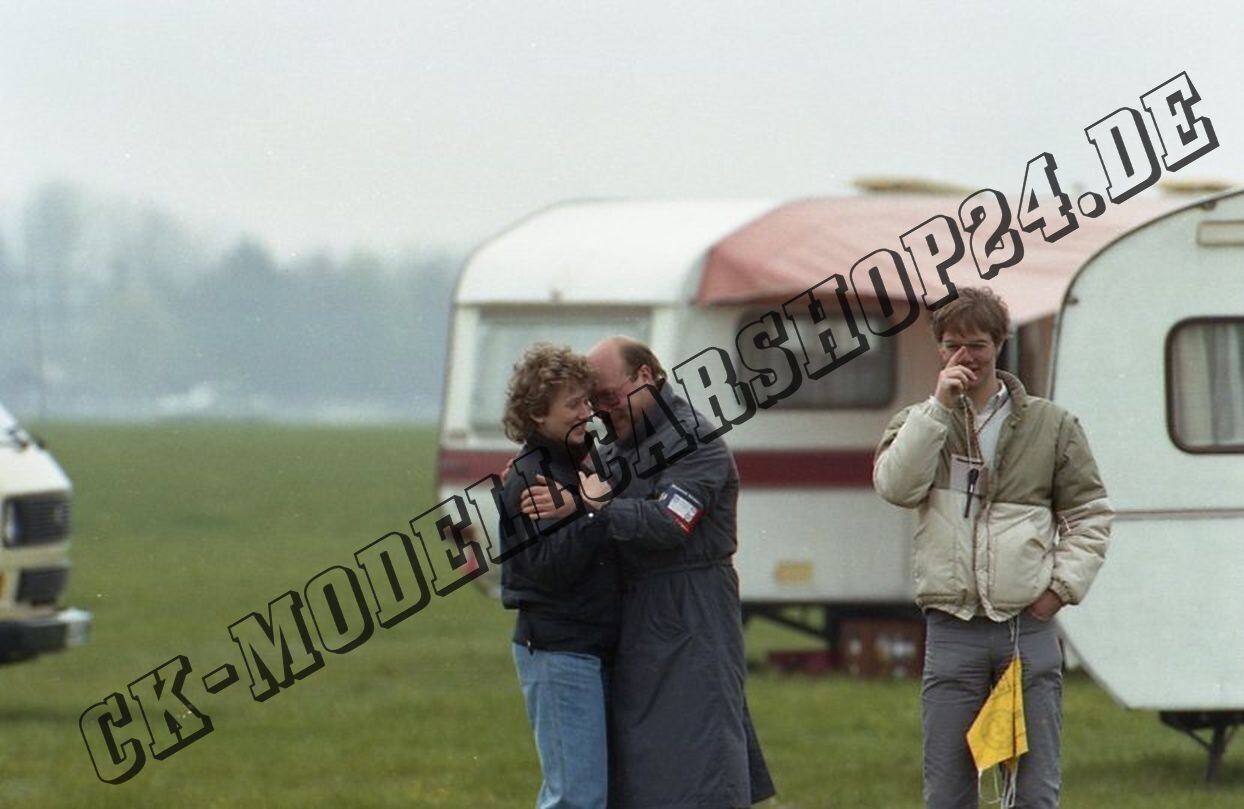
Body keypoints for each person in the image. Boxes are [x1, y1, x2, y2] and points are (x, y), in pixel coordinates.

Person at [872, 287, 1112, 808]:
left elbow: (1090, 515)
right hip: (951, 626)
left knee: (1033, 787)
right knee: (949, 787)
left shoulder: (1052, 424)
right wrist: (938, 408)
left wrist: (1058, 590)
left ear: (1000, 344)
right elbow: (896, 487)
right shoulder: (920, 421)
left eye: (978, 344)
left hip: (1027, 627)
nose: (966, 357)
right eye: (953, 344)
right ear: (938, 348)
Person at [524, 336, 775, 809]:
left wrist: (588, 508)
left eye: (610, 398)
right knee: (643, 772)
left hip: (694, 616)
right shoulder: (618, 449)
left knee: (699, 761)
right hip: (639, 620)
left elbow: (668, 523)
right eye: (593, 403)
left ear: (646, 377)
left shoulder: (697, 443)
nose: (602, 412)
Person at [499, 343, 621, 809]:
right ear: (536, 415)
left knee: (594, 794)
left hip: (591, 647)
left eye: (587, 402)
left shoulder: (583, 462)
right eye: (572, 405)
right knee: (575, 797)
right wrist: (594, 514)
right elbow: (549, 568)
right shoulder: (531, 479)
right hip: (558, 649)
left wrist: (593, 507)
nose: (586, 413)